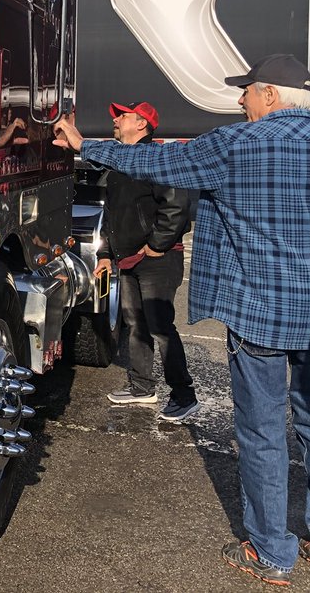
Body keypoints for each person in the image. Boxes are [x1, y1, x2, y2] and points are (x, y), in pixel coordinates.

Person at [52, 54, 310, 586]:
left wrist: (85, 146)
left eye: (246, 92)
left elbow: (157, 164)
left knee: (263, 436)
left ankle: (272, 555)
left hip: (258, 314)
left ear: (270, 95)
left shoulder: (237, 145)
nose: (240, 100)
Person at [94, 101, 197, 421]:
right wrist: (105, 254)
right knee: (136, 324)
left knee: (160, 326)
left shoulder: (160, 159)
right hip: (127, 260)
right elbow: (112, 216)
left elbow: (177, 205)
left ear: (142, 124)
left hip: (157, 260)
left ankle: (184, 395)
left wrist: (157, 245)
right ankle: (142, 388)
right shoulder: (118, 165)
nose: (115, 120)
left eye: (122, 116)